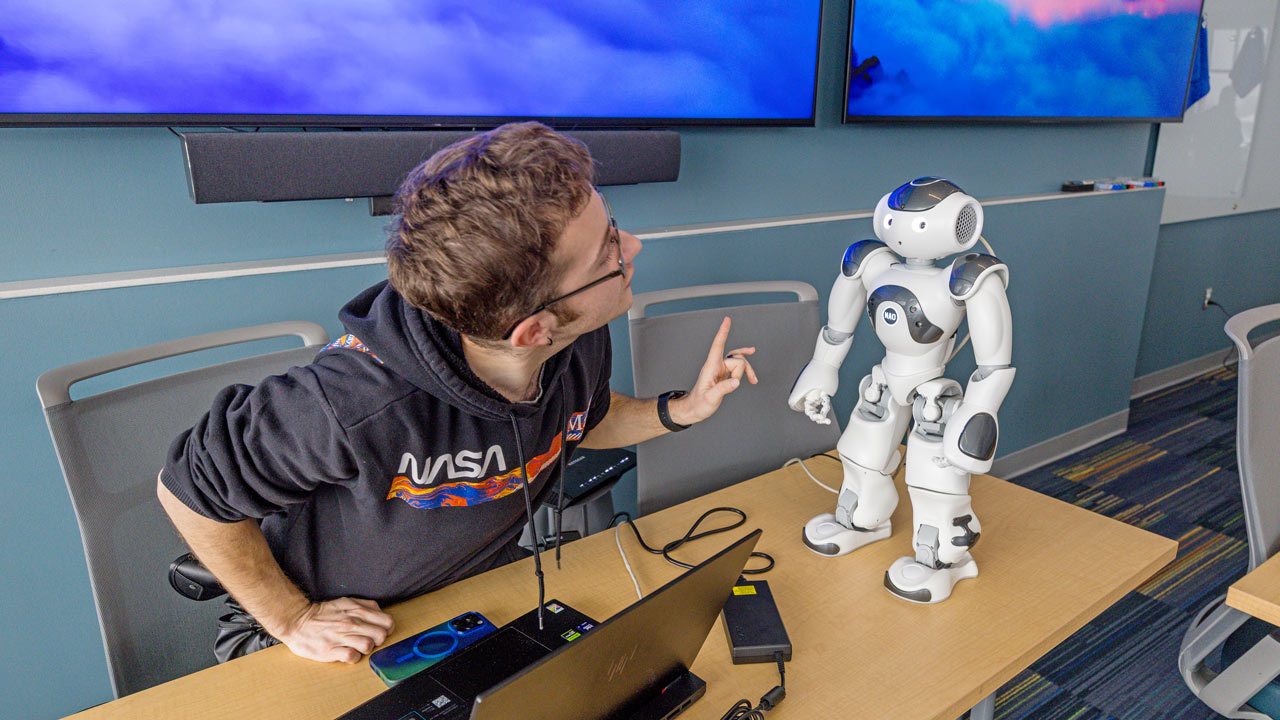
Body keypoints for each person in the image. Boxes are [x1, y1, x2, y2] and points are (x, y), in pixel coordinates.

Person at [156, 121, 758, 664]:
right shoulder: (351, 402)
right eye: (609, 251)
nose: (633, 248)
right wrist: (294, 619)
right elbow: (186, 493)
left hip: (474, 599)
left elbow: (581, 421)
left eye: (613, 229)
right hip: (342, 635)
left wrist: (682, 410)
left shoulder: (574, 337)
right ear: (534, 330)